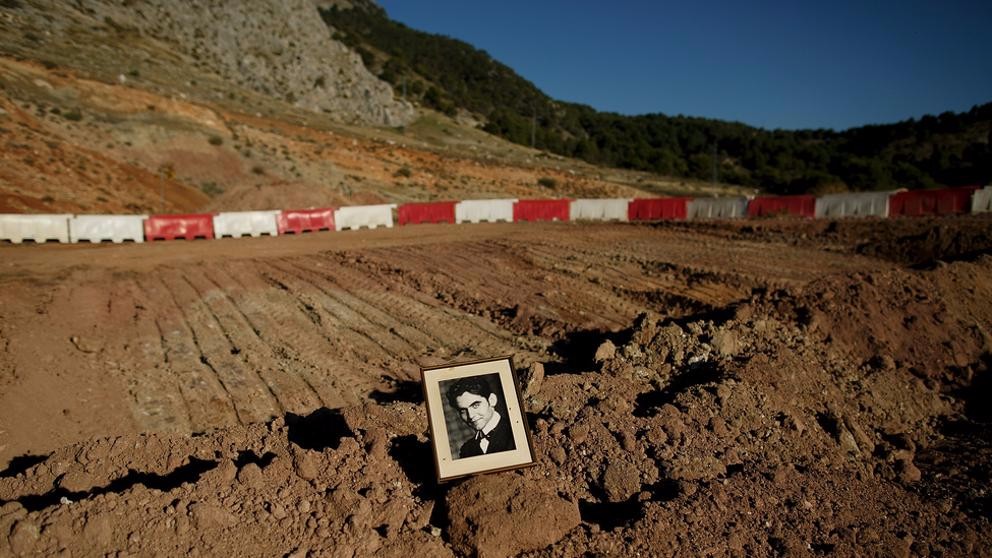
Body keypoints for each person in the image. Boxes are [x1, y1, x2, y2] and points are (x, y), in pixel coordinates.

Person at [445, 375, 515, 458]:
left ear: (492, 400)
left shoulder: (515, 433)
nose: (470, 416)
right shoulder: (466, 449)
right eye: (463, 411)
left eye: (475, 405)